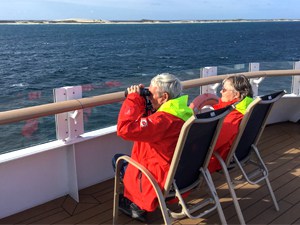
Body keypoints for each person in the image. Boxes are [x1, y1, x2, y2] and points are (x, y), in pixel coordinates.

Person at [114, 73, 194, 222]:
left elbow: (124, 129)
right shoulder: (185, 113)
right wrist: (146, 105)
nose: (148, 97)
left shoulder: (163, 121)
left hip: (156, 179)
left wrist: (133, 99)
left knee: (118, 160)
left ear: (164, 97)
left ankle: (137, 206)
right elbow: (154, 124)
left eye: (150, 94)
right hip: (180, 175)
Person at [189, 74, 254, 172]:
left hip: (216, 159)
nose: (220, 91)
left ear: (236, 95)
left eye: (224, 90)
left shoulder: (231, 118)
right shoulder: (248, 108)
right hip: (238, 154)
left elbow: (210, 145)